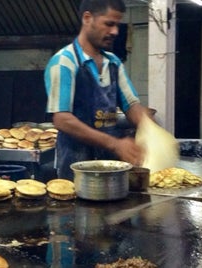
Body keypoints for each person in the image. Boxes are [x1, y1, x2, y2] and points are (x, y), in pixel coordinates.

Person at [44, 0, 151, 179]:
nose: (115, 31)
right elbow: (62, 119)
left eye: (117, 25)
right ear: (87, 18)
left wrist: (153, 132)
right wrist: (115, 144)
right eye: (109, 24)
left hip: (111, 167)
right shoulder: (64, 62)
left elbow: (132, 106)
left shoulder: (114, 63)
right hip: (76, 170)